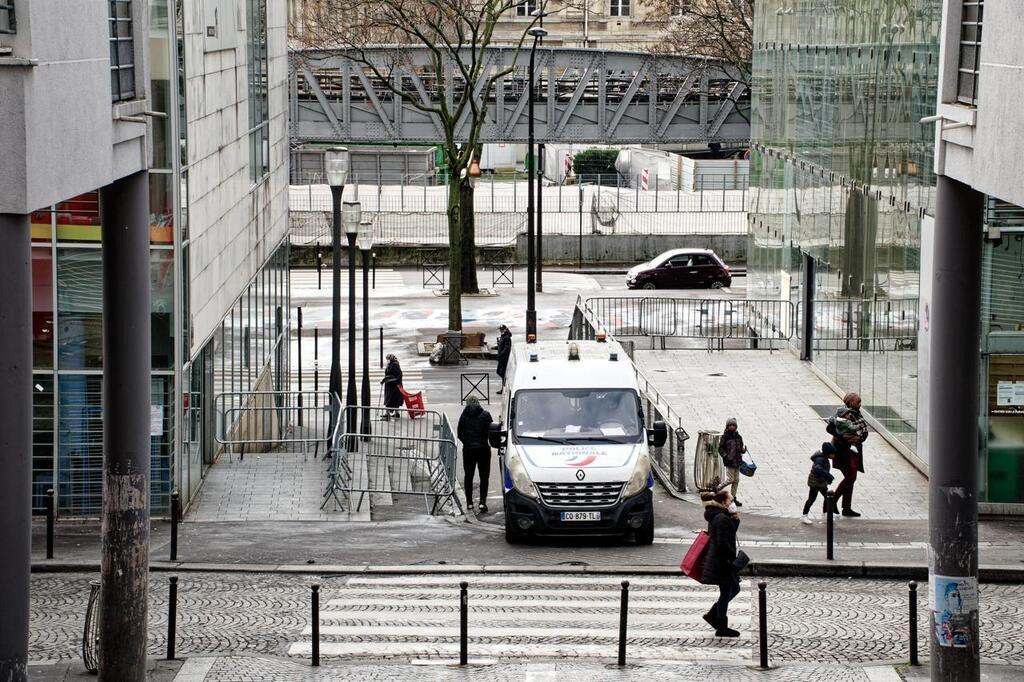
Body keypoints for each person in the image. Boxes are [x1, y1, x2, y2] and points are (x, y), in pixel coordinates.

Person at [701, 488, 742, 637]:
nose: (733, 503)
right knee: (728, 590)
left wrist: (735, 518)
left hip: (721, 560)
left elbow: (730, 532)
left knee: (732, 589)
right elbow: (723, 542)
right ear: (724, 502)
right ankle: (720, 624)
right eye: (731, 500)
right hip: (722, 561)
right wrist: (733, 559)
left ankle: (714, 615)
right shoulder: (721, 518)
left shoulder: (720, 516)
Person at [457, 396, 494, 514]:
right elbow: (491, 431)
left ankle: (469, 502)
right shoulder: (486, 415)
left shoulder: (463, 416)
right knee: (484, 477)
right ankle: (483, 502)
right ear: (479, 404)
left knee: (469, 476)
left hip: (468, 450)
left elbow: (459, 433)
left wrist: (467, 442)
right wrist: (484, 441)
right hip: (483, 449)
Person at [827, 414, 864, 517]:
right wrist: (843, 436)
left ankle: (846, 507)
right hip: (843, 453)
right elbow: (830, 428)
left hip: (852, 452)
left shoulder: (855, 414)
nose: (859, 404)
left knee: (851, 479)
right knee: (850, 478)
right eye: (857, 402)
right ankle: (832, 501)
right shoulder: (842, 416)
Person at [801, 442, 836, 524]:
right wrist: (828, 476)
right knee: (812, 498)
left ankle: (825, 514)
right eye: (832, 454)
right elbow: (818, 469)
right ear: (828, 453)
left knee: (827, 497)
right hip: (815, 482)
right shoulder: (820, 459)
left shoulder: (823, 457)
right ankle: (804, 516)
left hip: (821, 481)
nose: (834, 456)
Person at [717, 418, 747, 507]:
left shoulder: (738, 437)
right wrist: (726, 456)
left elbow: (740, 448)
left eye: (733, 425)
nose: (732, 427)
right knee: (730, 479)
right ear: (727, 426)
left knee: (736, 480)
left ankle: (733, 498)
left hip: (737, 462)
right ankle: (717, 488)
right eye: (730, 425)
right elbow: (720, 448)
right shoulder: (725, 437)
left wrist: (743, 450)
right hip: (730, 462)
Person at [380, 354, 404, 420]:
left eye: (388, 359)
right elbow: (389, 375)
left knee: (390, 399)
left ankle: (387, 413)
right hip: (391, 385)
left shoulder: (394, 365)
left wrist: (389, 380)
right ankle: (396, 413)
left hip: (393, 386)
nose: (387, 360)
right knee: (392, 399)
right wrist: (384, 380)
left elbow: (398, 375)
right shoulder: (391, 364)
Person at [495, 324, 512, 394]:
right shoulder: (503, 337)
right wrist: (497, 347)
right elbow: (502, 346)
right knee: (499, 372)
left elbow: (507, 348)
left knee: (502, 373)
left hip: (504, 358)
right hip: (501, 358)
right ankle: (504, 384)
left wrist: (501, 354)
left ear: (504, 330)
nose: (500, 331)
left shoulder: (507, 337)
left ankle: (504, 388)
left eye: (501, 329)